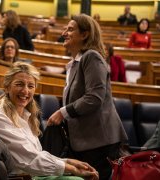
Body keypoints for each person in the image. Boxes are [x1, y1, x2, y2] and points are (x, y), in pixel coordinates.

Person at [47, 14, 128, 180]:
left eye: (70, 29)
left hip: (99, 143)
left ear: (84, 34)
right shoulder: (75, 63)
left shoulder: (91, 57)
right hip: (85, 142)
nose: (64, 33)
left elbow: (94, 97)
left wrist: (63, 112)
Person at [0, 62, 99, 179]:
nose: (25, 91)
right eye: (19, 84)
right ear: (7, 87)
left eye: (30, 86)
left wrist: (68, 161)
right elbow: (29, 160)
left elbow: (37, 155)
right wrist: (72, 169)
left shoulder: (27, 116)